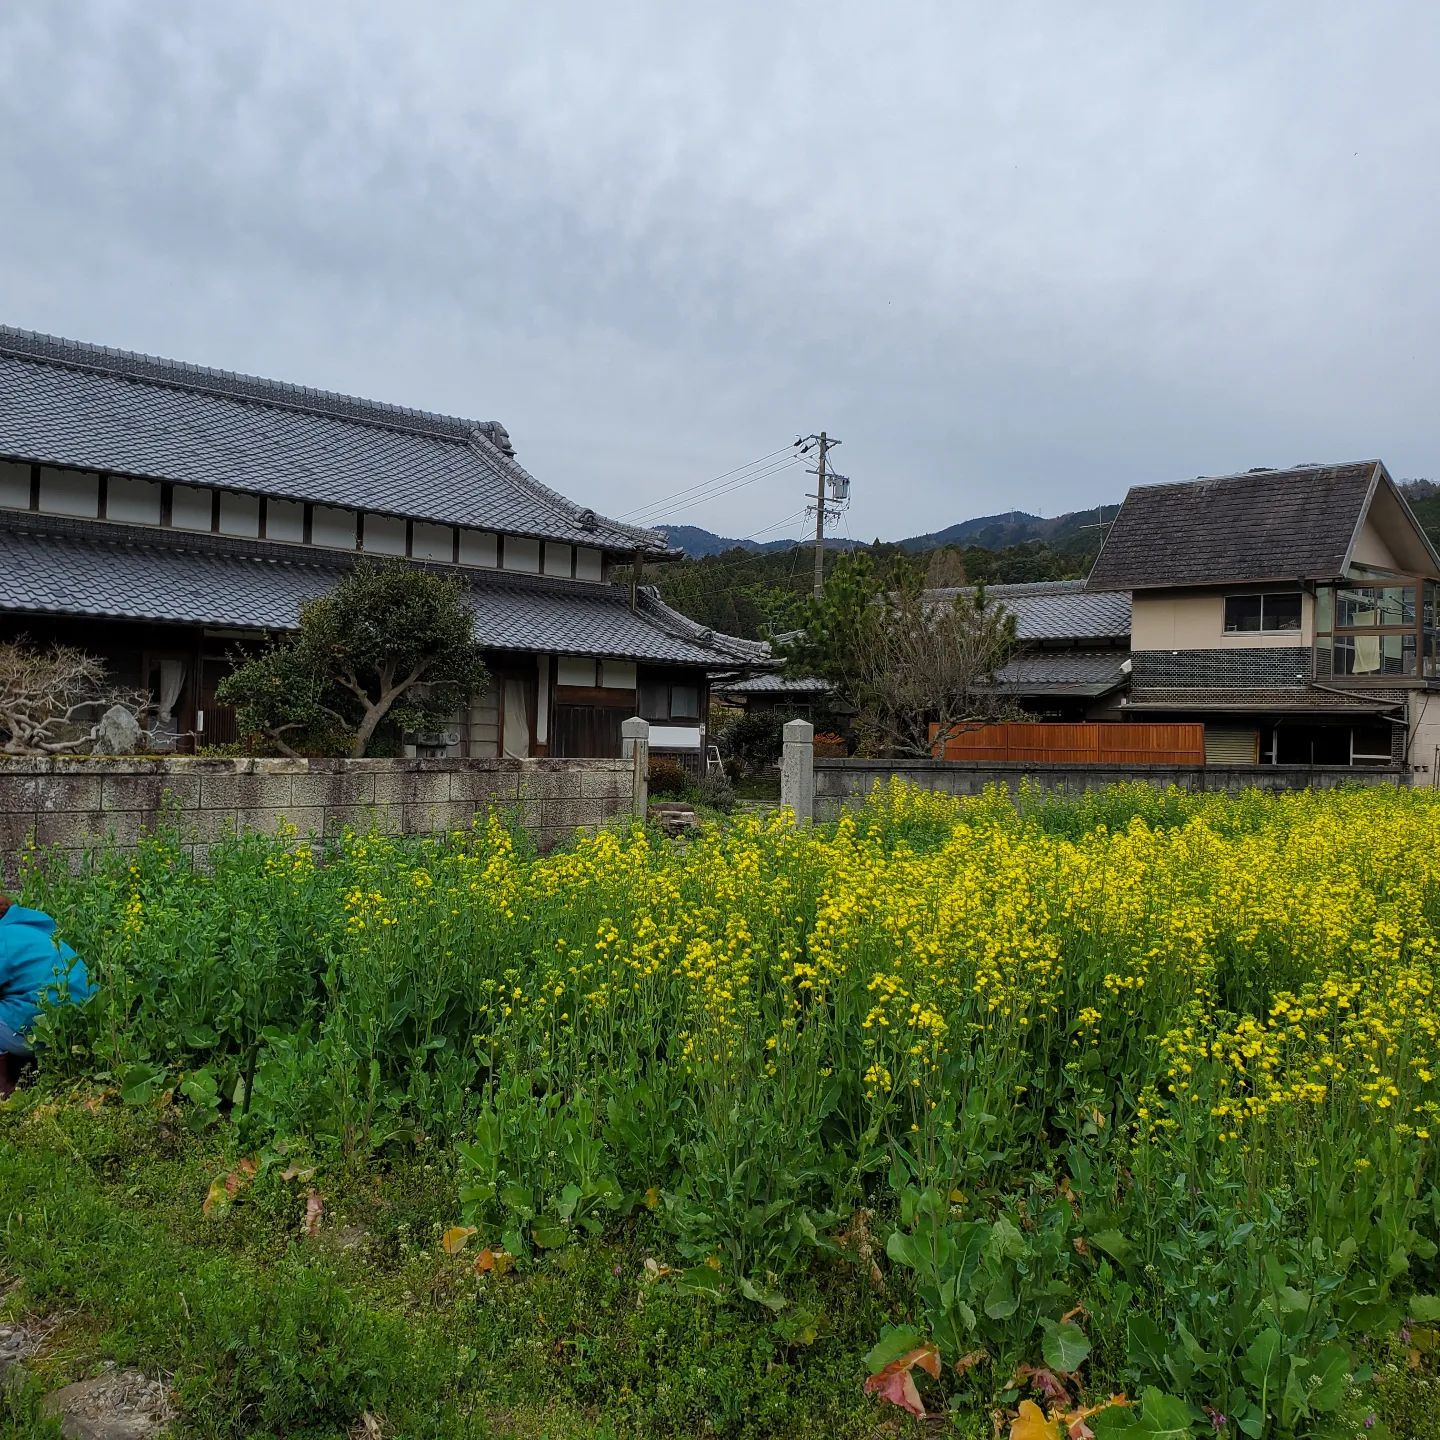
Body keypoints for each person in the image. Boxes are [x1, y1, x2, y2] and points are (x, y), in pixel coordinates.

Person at [0, 893, 93, 1098]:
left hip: (42, 1028)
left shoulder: (2, 938)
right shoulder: (32, 928)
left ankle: (4, 1087)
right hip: (87, 1025)